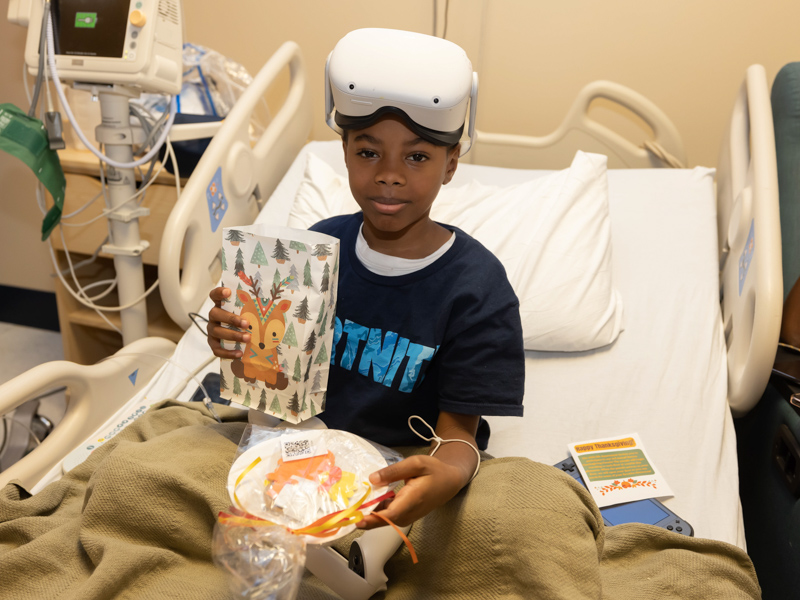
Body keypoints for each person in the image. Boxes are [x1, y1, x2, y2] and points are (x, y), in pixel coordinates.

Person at [206, 28, 525, 531]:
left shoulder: (477, 288)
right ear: (346, 151)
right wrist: (235, 341)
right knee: (153, 463)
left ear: (451, 164)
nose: (389, 174)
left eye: (417, 156)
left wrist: (446, 474)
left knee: (523, 515)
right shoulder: (314, 251)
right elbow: (272, 371)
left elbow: (458, 434)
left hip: (402, 465)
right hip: (297, 446)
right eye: (368, 152)